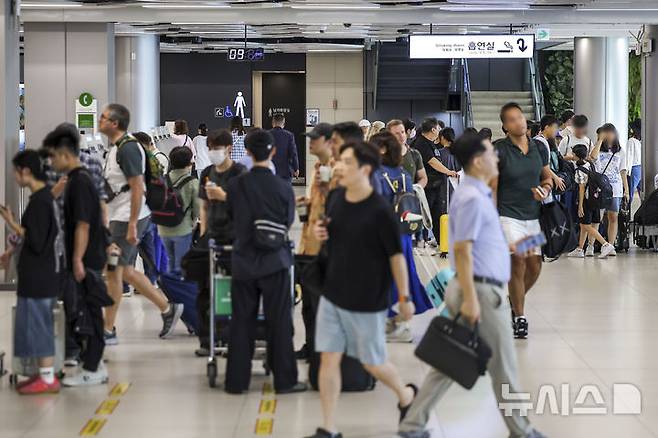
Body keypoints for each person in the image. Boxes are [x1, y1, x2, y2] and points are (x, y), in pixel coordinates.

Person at [397, 134, 546, 438]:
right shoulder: (471, 198)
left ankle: (412, 425)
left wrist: (537, 239)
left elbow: (491, 245)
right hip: (478, 291)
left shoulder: (477, 194)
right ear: (478, 161)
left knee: (448, 363)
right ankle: (522, 430)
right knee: (504, 366)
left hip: (476, 288)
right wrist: (471, 301)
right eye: (492, 154)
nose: (497, 159)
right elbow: (462, 250)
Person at [306, 140, 416, 438]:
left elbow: (396, 258)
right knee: (329, 358)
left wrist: (404, 298)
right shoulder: (337, 197)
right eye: (339, 161)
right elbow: (333, 232)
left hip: (367, 299)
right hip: (333, 292)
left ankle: (406, 396)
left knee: (373, 363)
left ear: (365, 169)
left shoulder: (381, 211)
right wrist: (321, 232)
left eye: (347, 162)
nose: (338, 166)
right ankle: (328, 427)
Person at [224, 129, 306, 394]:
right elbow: (288, 220)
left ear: (247, 152)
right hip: (276, 260)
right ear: (273, 152)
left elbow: (230, 215)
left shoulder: (236, 185)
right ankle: (285, 380)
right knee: (279, 320)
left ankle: (236, 381)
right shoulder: (283, 187)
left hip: (244, 260)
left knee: (241, 320)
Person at [100, 103, 184, 344]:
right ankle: (165, 309)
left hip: (129, 217)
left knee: (117, 270)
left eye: (104, 117)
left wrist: (133, 224)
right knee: (118, 270)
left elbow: (138, 187)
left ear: (115, 123)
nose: (100, 120)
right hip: (121, 216)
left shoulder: (128, 149)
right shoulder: (117, 149)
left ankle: (110, 329)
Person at [47, 127, 112, 386]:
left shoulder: (79, 182)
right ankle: (91, 363)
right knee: (85, 308)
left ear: (65, 155)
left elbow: (83, 224)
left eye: (53, 158)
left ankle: (93, 367)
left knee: (89, 309)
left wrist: (76, 259)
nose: (51, 163)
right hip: (87, 254)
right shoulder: (78, 179)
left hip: (86, 256)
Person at [2, 150, 60, 394]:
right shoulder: (43, 198)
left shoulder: (40, 202)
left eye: (16, 172)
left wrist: (11, 223)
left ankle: (47, 378)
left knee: (40, 325)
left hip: (39, 276)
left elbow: (35, 240)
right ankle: (40, 374)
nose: (15, 177)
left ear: (25, 171)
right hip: (37, 274)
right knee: (33, 324)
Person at [492, 102, 552, 339]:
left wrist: (545, 189)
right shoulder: (499, 150)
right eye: (513, 119)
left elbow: (546, 176)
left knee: (535, 265)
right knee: (518, 259)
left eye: (521, 117)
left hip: (532, 217)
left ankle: (513, 301)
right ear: (505, 126)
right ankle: (520, 317)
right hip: (508, 216)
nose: (519, 122)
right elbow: (492, 186)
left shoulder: (538, 147)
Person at [370, 132, 432, 343]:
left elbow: (375, 206)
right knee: (405, 275)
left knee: (385, 277)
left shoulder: (376, 174)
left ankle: (394, 322)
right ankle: (399, 322)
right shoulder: (404, 174)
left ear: (383, 149)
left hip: (383, 234)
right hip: (403, 232)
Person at [194, 129, 247, 356]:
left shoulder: (240, 173)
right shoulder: (207, 172)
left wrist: (224, 196)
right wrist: (205, 232)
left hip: (235, 238)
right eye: (210, 148)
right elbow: (204, 206)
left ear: (227, 148)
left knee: (234, 289)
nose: (212, 152)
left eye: (216, 148)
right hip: (212, 238)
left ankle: (233, 335)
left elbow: (247, 203)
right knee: (206, 290)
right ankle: (208, 339)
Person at [297, 123, 337, 360]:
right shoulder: (317, 168)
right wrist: (308, 203)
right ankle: (311, 346)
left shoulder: (337, 169)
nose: (310, 142)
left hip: (326, 249)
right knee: (308, 305)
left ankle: (323, 351)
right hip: (309, 244)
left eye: (315, 138)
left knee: (322, 304)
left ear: (330, 141)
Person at [413, 118, 459, 246]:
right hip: (427, 187)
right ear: (433, 129)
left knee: (438, 215)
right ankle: (421, 241)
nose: (439, 131)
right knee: (425, 215)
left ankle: (442, 243)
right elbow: (432, 162)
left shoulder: (431, 143)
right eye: (438, 128)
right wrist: (448, 171)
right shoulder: (421, 144)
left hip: (436, 186)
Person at [567, 144, 615, 259]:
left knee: (586, 225)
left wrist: (580, 206)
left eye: (573, 154)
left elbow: (582, 188)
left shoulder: (579, 170)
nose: (572, 155)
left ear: (577, 156)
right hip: (595, 199)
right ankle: (580, 249)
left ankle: (605, 244)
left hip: (586, 201)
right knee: (584, 225)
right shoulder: (591, 165)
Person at [157, 146, 200, 275]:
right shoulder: (192, 182)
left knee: (169, 261)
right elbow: (197, 207)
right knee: (180, 264)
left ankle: (170, 290)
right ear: (189, 163)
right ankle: (178, 290)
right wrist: (193, 220)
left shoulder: (162, 179)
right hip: (183, 228)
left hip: (163, 228)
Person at [589, 123, 629, 254]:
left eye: (611, 132)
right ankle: (591, 245)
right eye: (607, 133)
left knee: (613, 217)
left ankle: (610, 246)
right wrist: (600, 140)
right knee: (597, 218)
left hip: (615, 188)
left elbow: (623, 171)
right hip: (600, 188)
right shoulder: (598, 148)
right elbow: (592, 158)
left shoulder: (620, 151)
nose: (609, 135)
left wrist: (626, 190)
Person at [387, 119, 428, 189]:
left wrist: (415, 188)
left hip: (409, 197)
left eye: (402, 132)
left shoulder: (414, 154)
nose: (401, 136)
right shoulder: (383, 156)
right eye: (397, 133)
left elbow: (423, 178)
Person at [534, 115, 567, 196]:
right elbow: (542, 164)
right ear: (547, 127)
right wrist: (555, 178)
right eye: (555, 127)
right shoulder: (541, 142)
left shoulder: (541, 140)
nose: (557, 131)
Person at [269, 113, 300, 182]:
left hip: (270, 170)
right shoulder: (289, 135)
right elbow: (293, 153)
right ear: (283, 123)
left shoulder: (266, 135)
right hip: (285, 171)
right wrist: (296, 168)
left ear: (272, 123)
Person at [627, 119, 642, 204]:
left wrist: (627, 171)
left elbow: (630, 156)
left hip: (634, 168)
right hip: (642, 168)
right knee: (642, 193)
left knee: (630, 192)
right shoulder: (642, 141)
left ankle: (626, 213)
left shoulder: (631, 140)